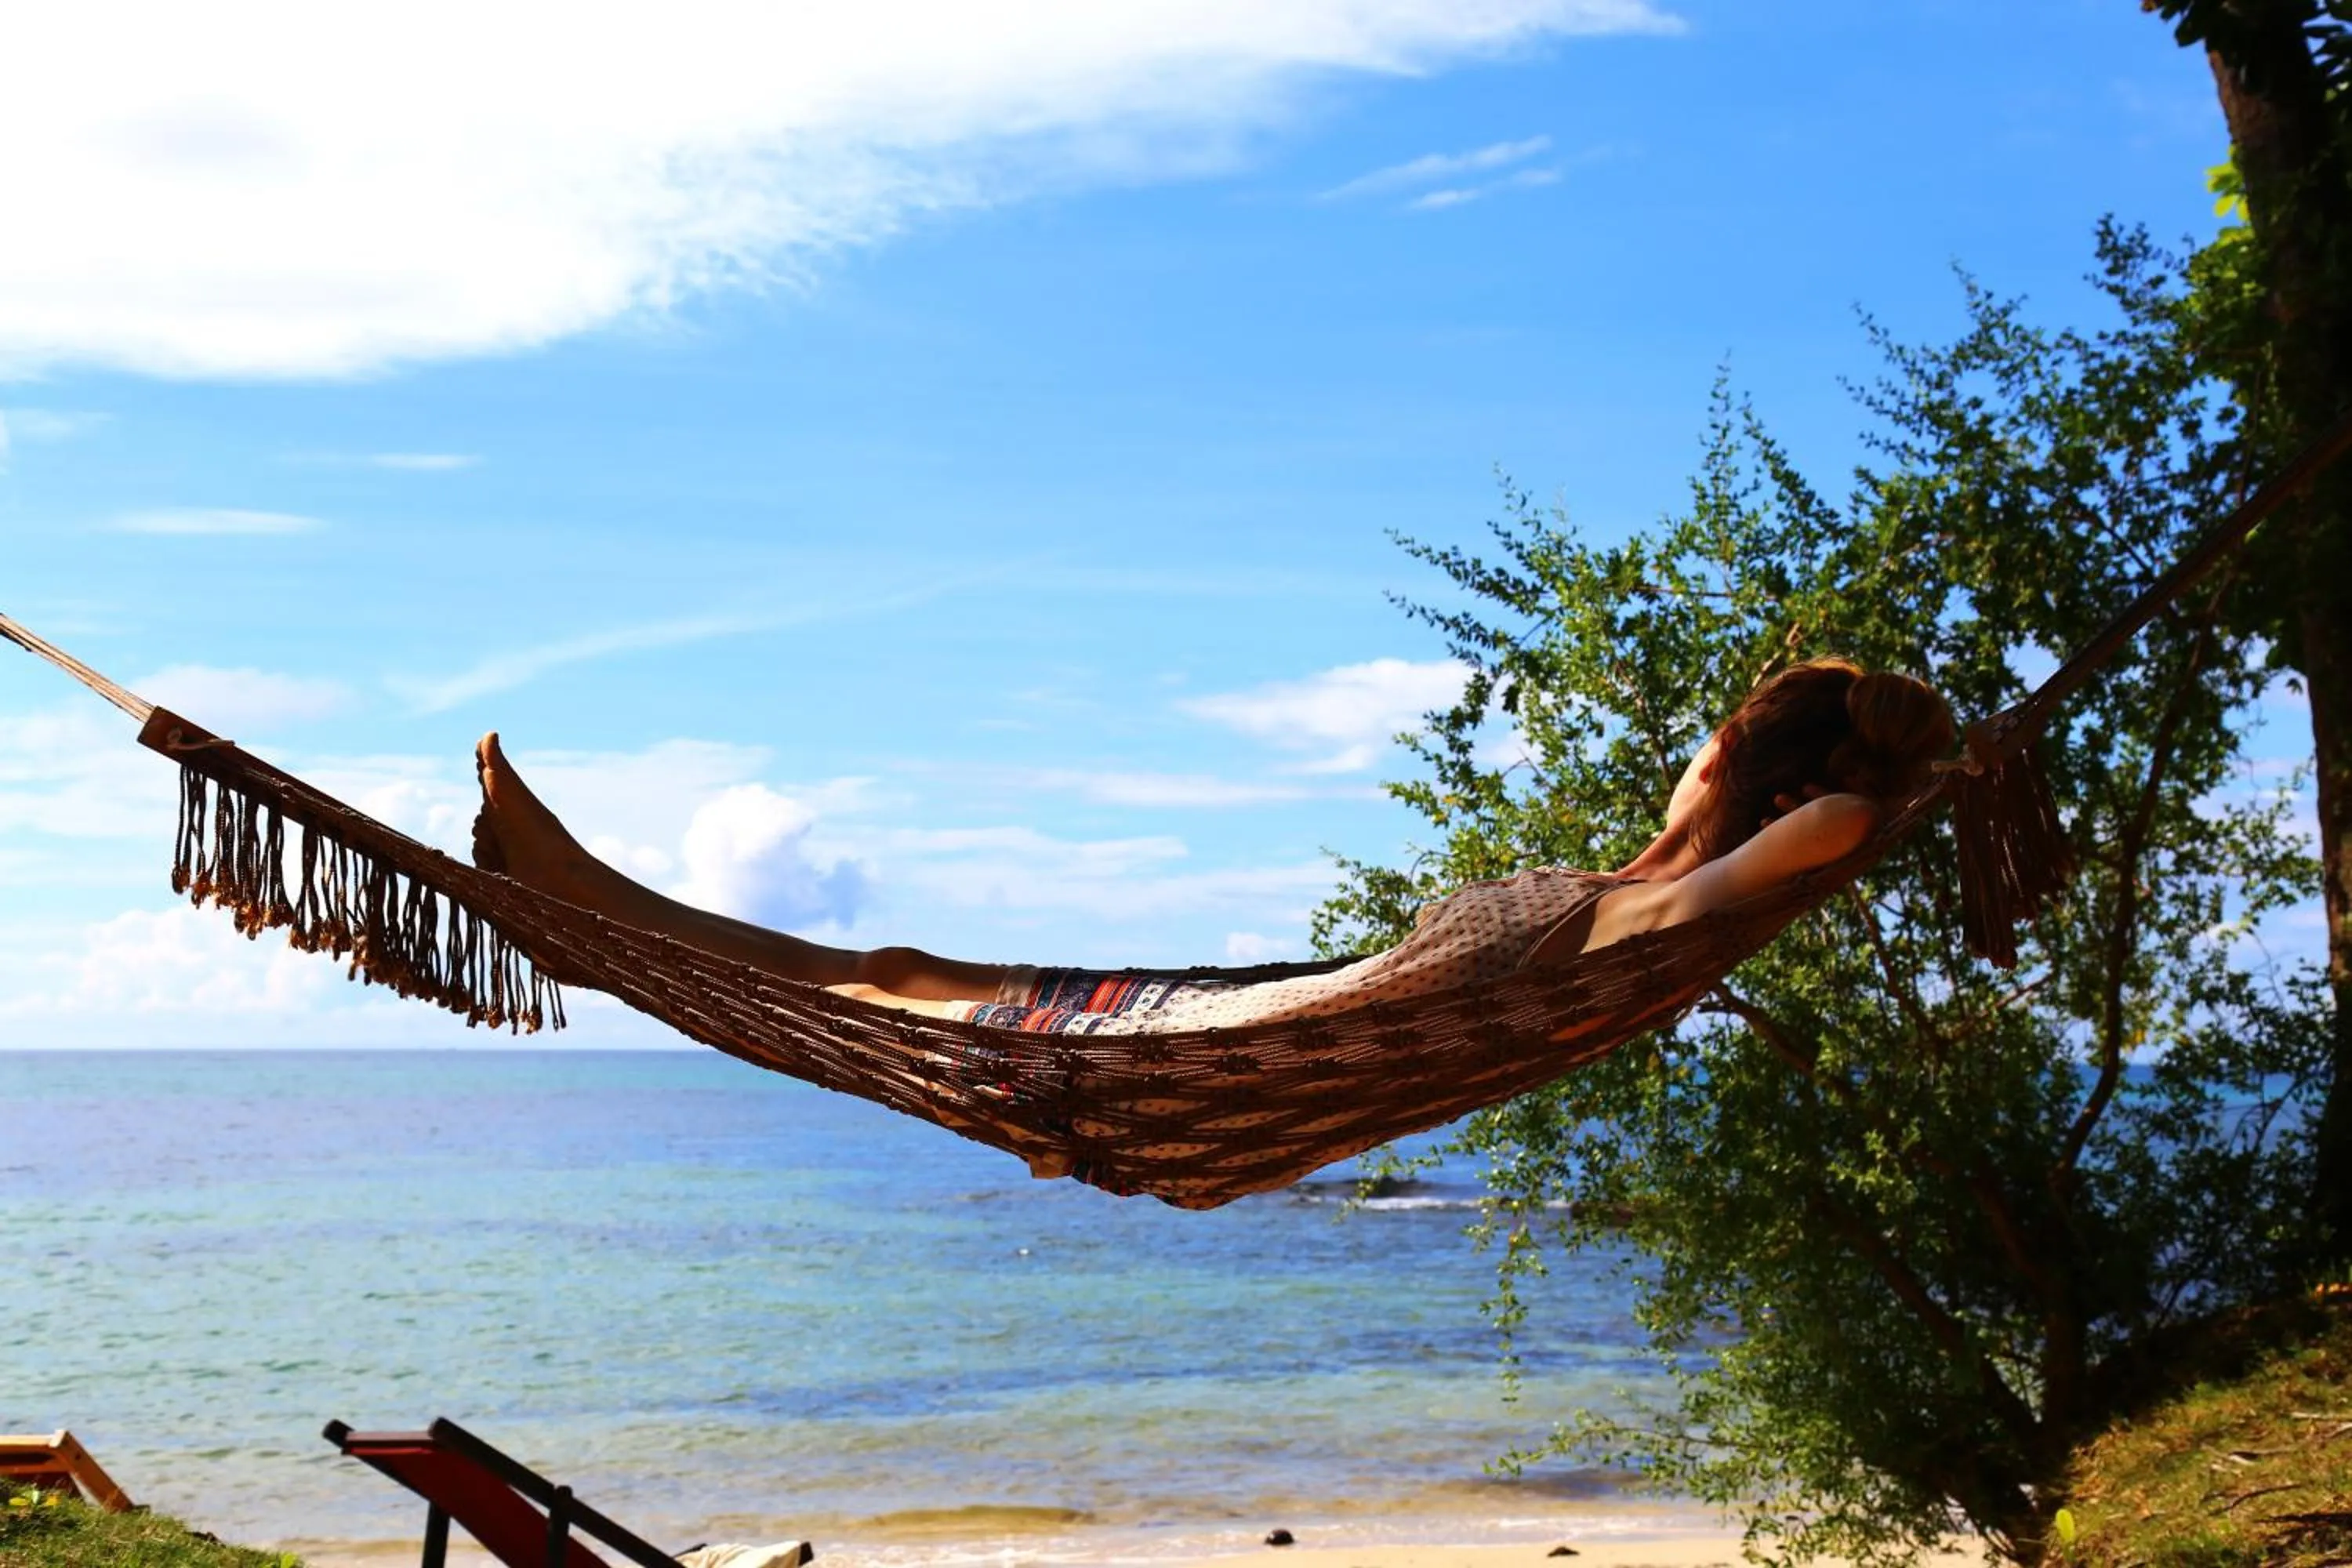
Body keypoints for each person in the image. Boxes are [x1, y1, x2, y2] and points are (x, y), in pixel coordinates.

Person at [469, 658, 1954, 1037]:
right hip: (1322, 1001)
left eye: (1716, 732)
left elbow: (1825, 833)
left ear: (1743, 770)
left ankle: (594, 923)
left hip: (1325, 1026)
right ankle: (599, 921)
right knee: (904, 972)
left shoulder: (1696, 890)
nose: (1693, 743)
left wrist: (1903, 779)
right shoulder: (1656, 877)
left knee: (902, 985)